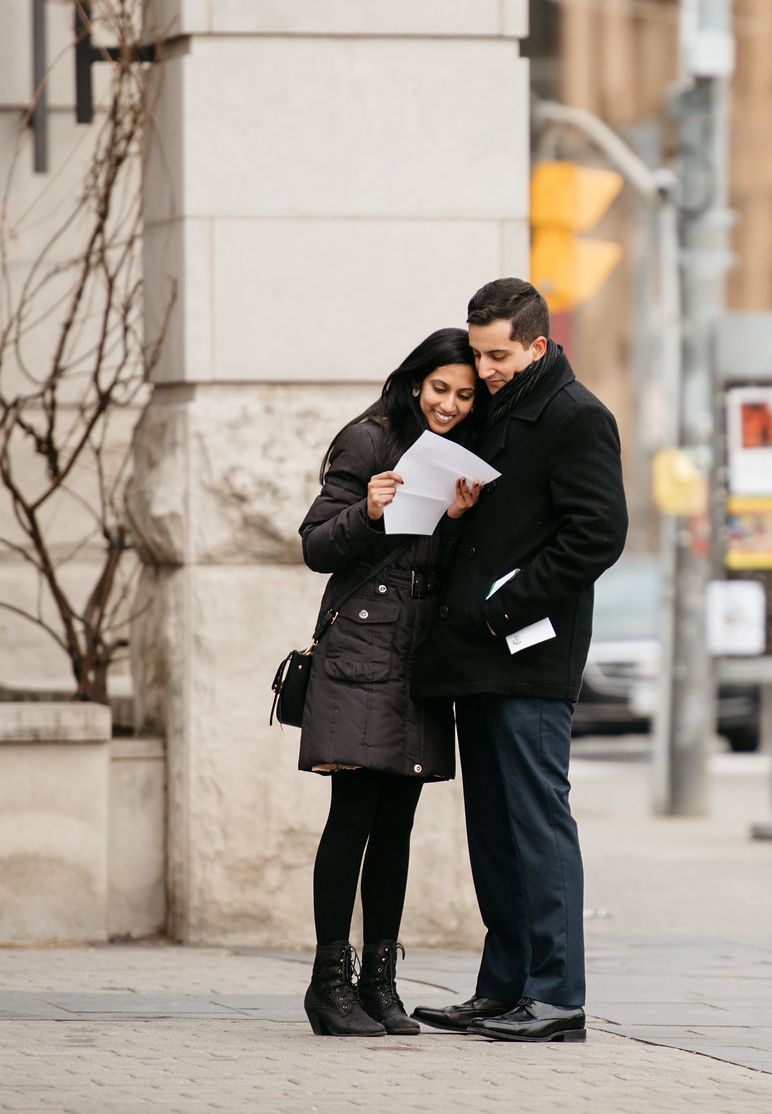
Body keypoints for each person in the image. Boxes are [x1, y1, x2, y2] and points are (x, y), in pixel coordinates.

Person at [409, 278, 628, 1045]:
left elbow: (597, 535)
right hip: (479, 655)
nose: (486, 367)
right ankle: (503, 987)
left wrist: (505, 607)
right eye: (477, 353)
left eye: (497, 353)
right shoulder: (497, 407)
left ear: (538, 344)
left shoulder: (577, 416)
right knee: (494, 831)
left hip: (530, 657)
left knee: (536, 826)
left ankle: (556, 994)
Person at [296, 329, 486, 1038]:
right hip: (361, 649)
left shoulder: (467, 452)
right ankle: (328, 983)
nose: (450, 404)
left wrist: (459, 520)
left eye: (464, 394)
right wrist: (367, 511)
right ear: (414, 383)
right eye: (440, 388)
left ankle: (381, 982)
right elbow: (316, 543)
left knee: (398, 823)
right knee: (354, 812)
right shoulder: (369, 441)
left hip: (420, 655)